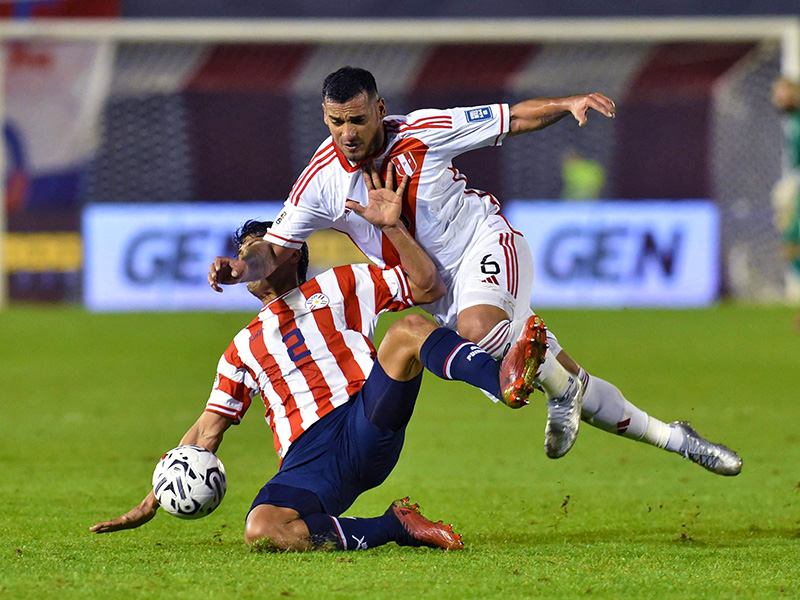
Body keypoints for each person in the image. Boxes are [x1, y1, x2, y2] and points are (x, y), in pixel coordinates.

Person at [208, 66, 742, 475]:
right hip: (440, 295)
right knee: (532, 371)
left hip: (487, 244)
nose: (347, 132)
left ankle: (563, 391)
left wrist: (568, 102)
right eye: (336, 121)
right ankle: (675, 437)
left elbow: (512, 118)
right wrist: (239, 266)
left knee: (479, 333)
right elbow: (273, 250)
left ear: (379, 110)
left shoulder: (423, 131)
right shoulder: (319, 182)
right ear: (325, 118)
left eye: (357, 119)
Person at [90, 168, 549, 551]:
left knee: (408, 330)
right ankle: (394, 526)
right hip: (309, 463)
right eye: (245, 253)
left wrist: (393, 227)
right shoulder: (240, 349)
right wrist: (155, 495)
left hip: (364, 420)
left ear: (292, 254)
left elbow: (428, 287)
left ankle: (500, 380)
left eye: (261, 249)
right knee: (262, 530)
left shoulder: (343, 284)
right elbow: (206, 432)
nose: (250, 259)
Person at [771, 77, 800, 316]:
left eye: (781, 94)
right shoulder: (791, 122)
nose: (777, 99)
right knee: (790, 248)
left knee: (791, 246)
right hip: (795, 187)